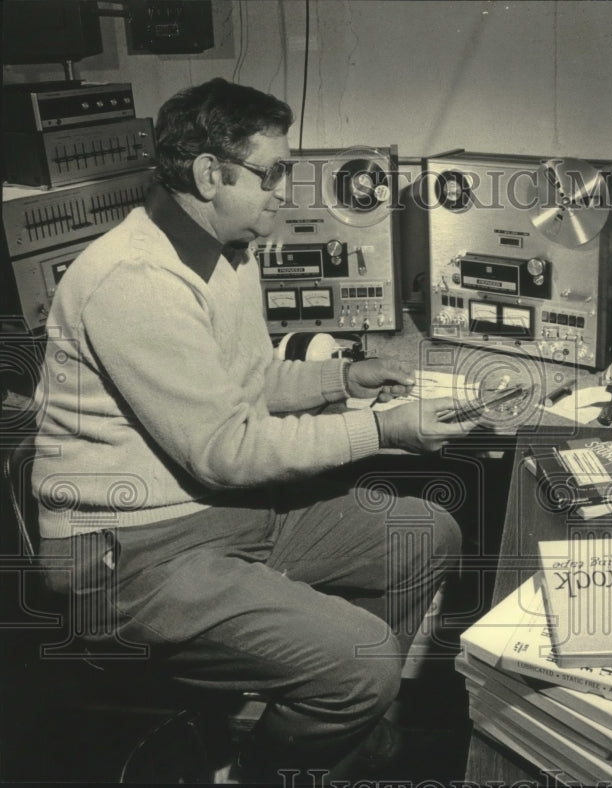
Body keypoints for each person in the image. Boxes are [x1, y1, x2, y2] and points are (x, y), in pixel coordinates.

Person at [30, 77, 476, 781]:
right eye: (273, 175)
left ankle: (339, 731)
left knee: (426, 538)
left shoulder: (224, 250)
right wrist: (386, 429)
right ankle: (262, 770)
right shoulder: (136, 280)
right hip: (132, 556)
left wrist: (341, 380)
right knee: (358, 666)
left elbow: (247, 381)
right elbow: (228, 451)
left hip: (221, 514)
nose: (284, 193)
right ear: (211, 174)